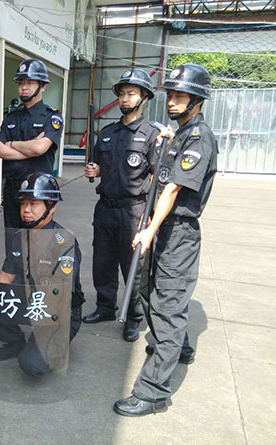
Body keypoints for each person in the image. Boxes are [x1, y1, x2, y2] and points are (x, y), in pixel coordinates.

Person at [114, 63, 217, 416]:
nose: (172, 101)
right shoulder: (180, 134)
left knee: (168, 306)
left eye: (180, 96)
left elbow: (173, 188)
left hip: (178, 234)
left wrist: (149, 229)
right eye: (170, 95)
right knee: (151, 292)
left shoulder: (199, 137)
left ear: (197, 101)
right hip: (163, 229)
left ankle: (153, 392)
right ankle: (177, 347)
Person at [0, 173, 85, 377]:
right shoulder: (19, 237)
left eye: (34, 204)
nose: (26, 210)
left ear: (52, 206)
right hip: (32, 301)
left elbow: (60, 294)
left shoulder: (64, 242)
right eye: (23, 204)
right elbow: (6, 275)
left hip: (59, 311)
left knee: (31, 364)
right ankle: (15, 342)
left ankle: (56, 344)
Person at [82, 68, 160, 342]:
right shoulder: (107, 133)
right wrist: (94, 171)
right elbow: (99, 165)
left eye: (131, 94)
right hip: (105, 208)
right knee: (103, 261)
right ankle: (105, 307)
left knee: (134, 267)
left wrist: (149, 216)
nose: (125, 99)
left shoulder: (152, 135)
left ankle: (134, 317)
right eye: (122, 94)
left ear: (144, 98)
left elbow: (157, 176)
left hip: (134, 210)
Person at [0, 60, 64, 240]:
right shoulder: (12, 117)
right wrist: (29, 147)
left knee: (38, 244)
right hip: (13, 191)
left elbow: (40, 148)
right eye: (21, 83)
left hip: (37, 194)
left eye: (30, 83)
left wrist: (12, 144)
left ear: (43, 86)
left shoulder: (51, 116)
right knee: (13, 244)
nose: (24, 87)